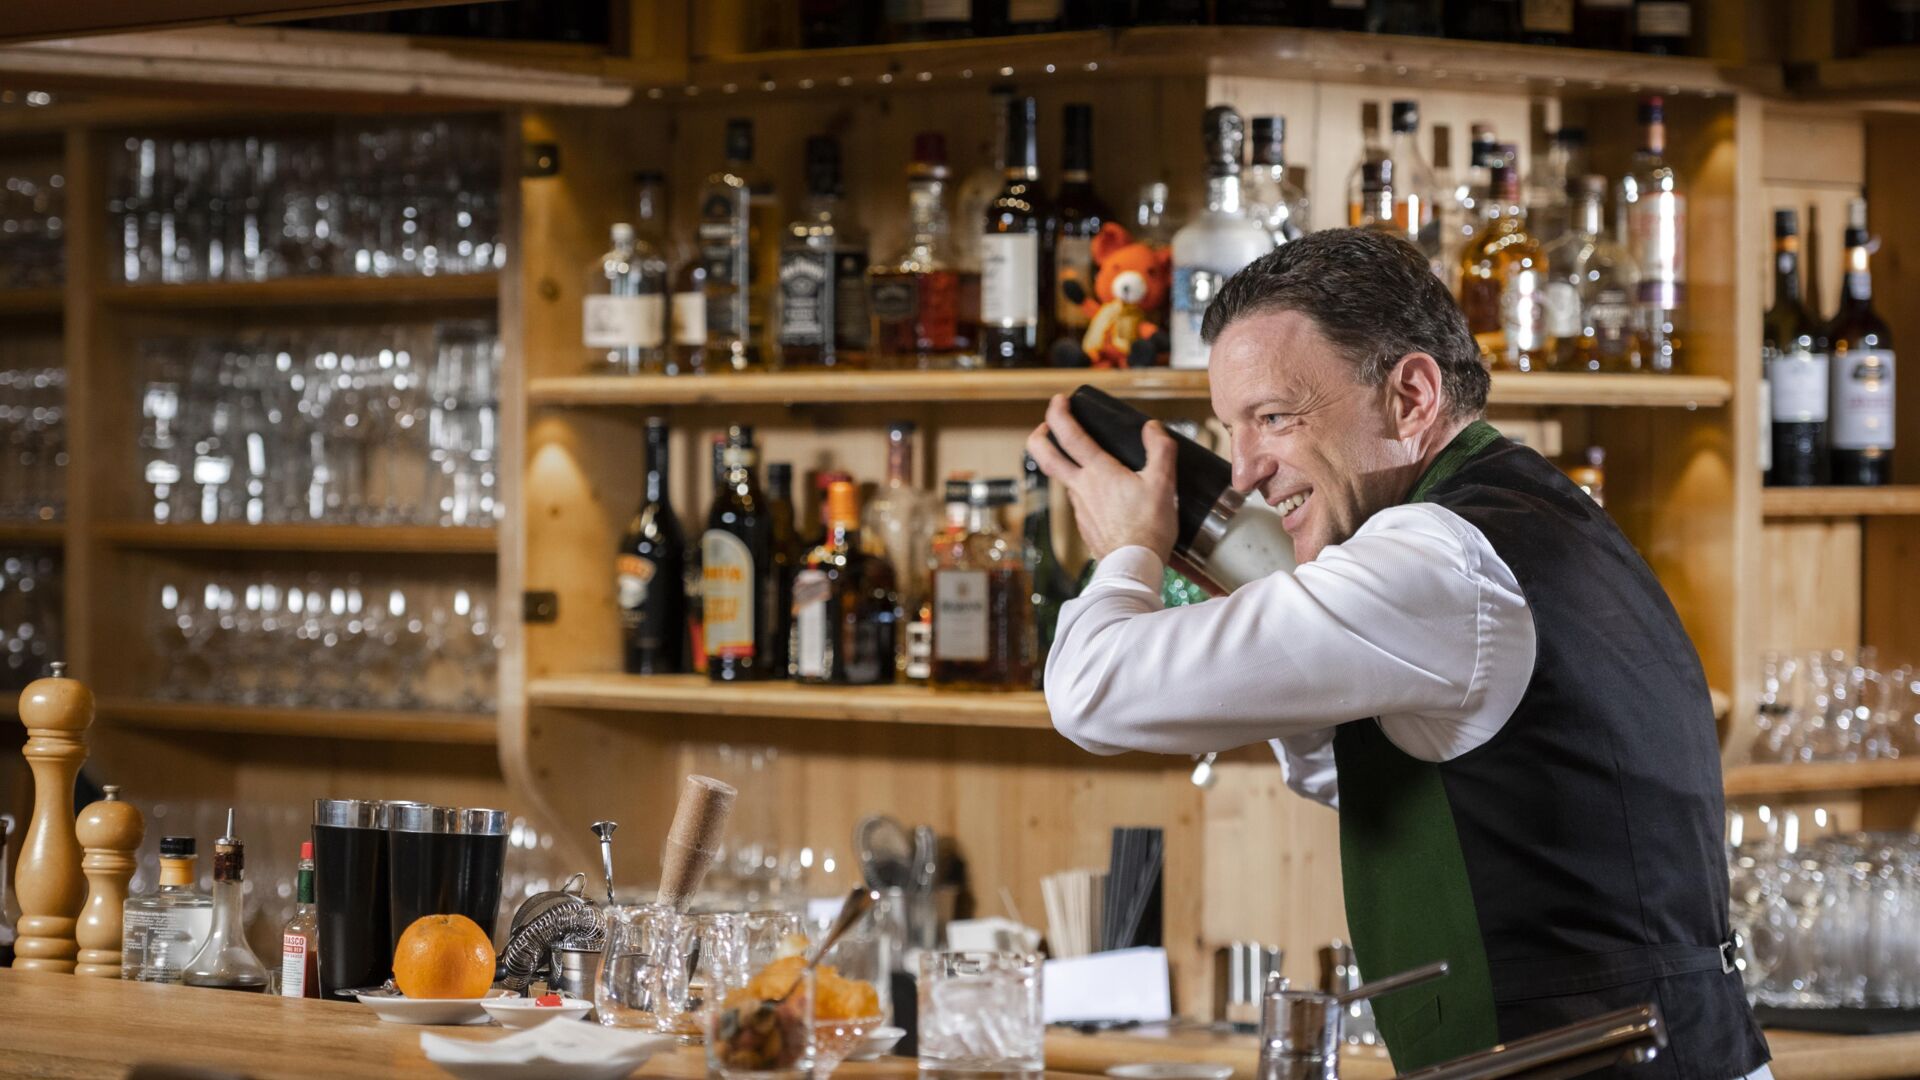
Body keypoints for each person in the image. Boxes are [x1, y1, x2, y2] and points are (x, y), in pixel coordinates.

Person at [1026, 229, 1769, 1079]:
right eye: (1230, 431)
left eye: (1274, 418)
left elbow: (1089, 692)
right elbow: (1388, 777)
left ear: (1411, 396)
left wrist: (1129, 547)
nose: (1243, 473)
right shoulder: (1517, 518)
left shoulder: (1436, 556)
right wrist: (1242, 578)